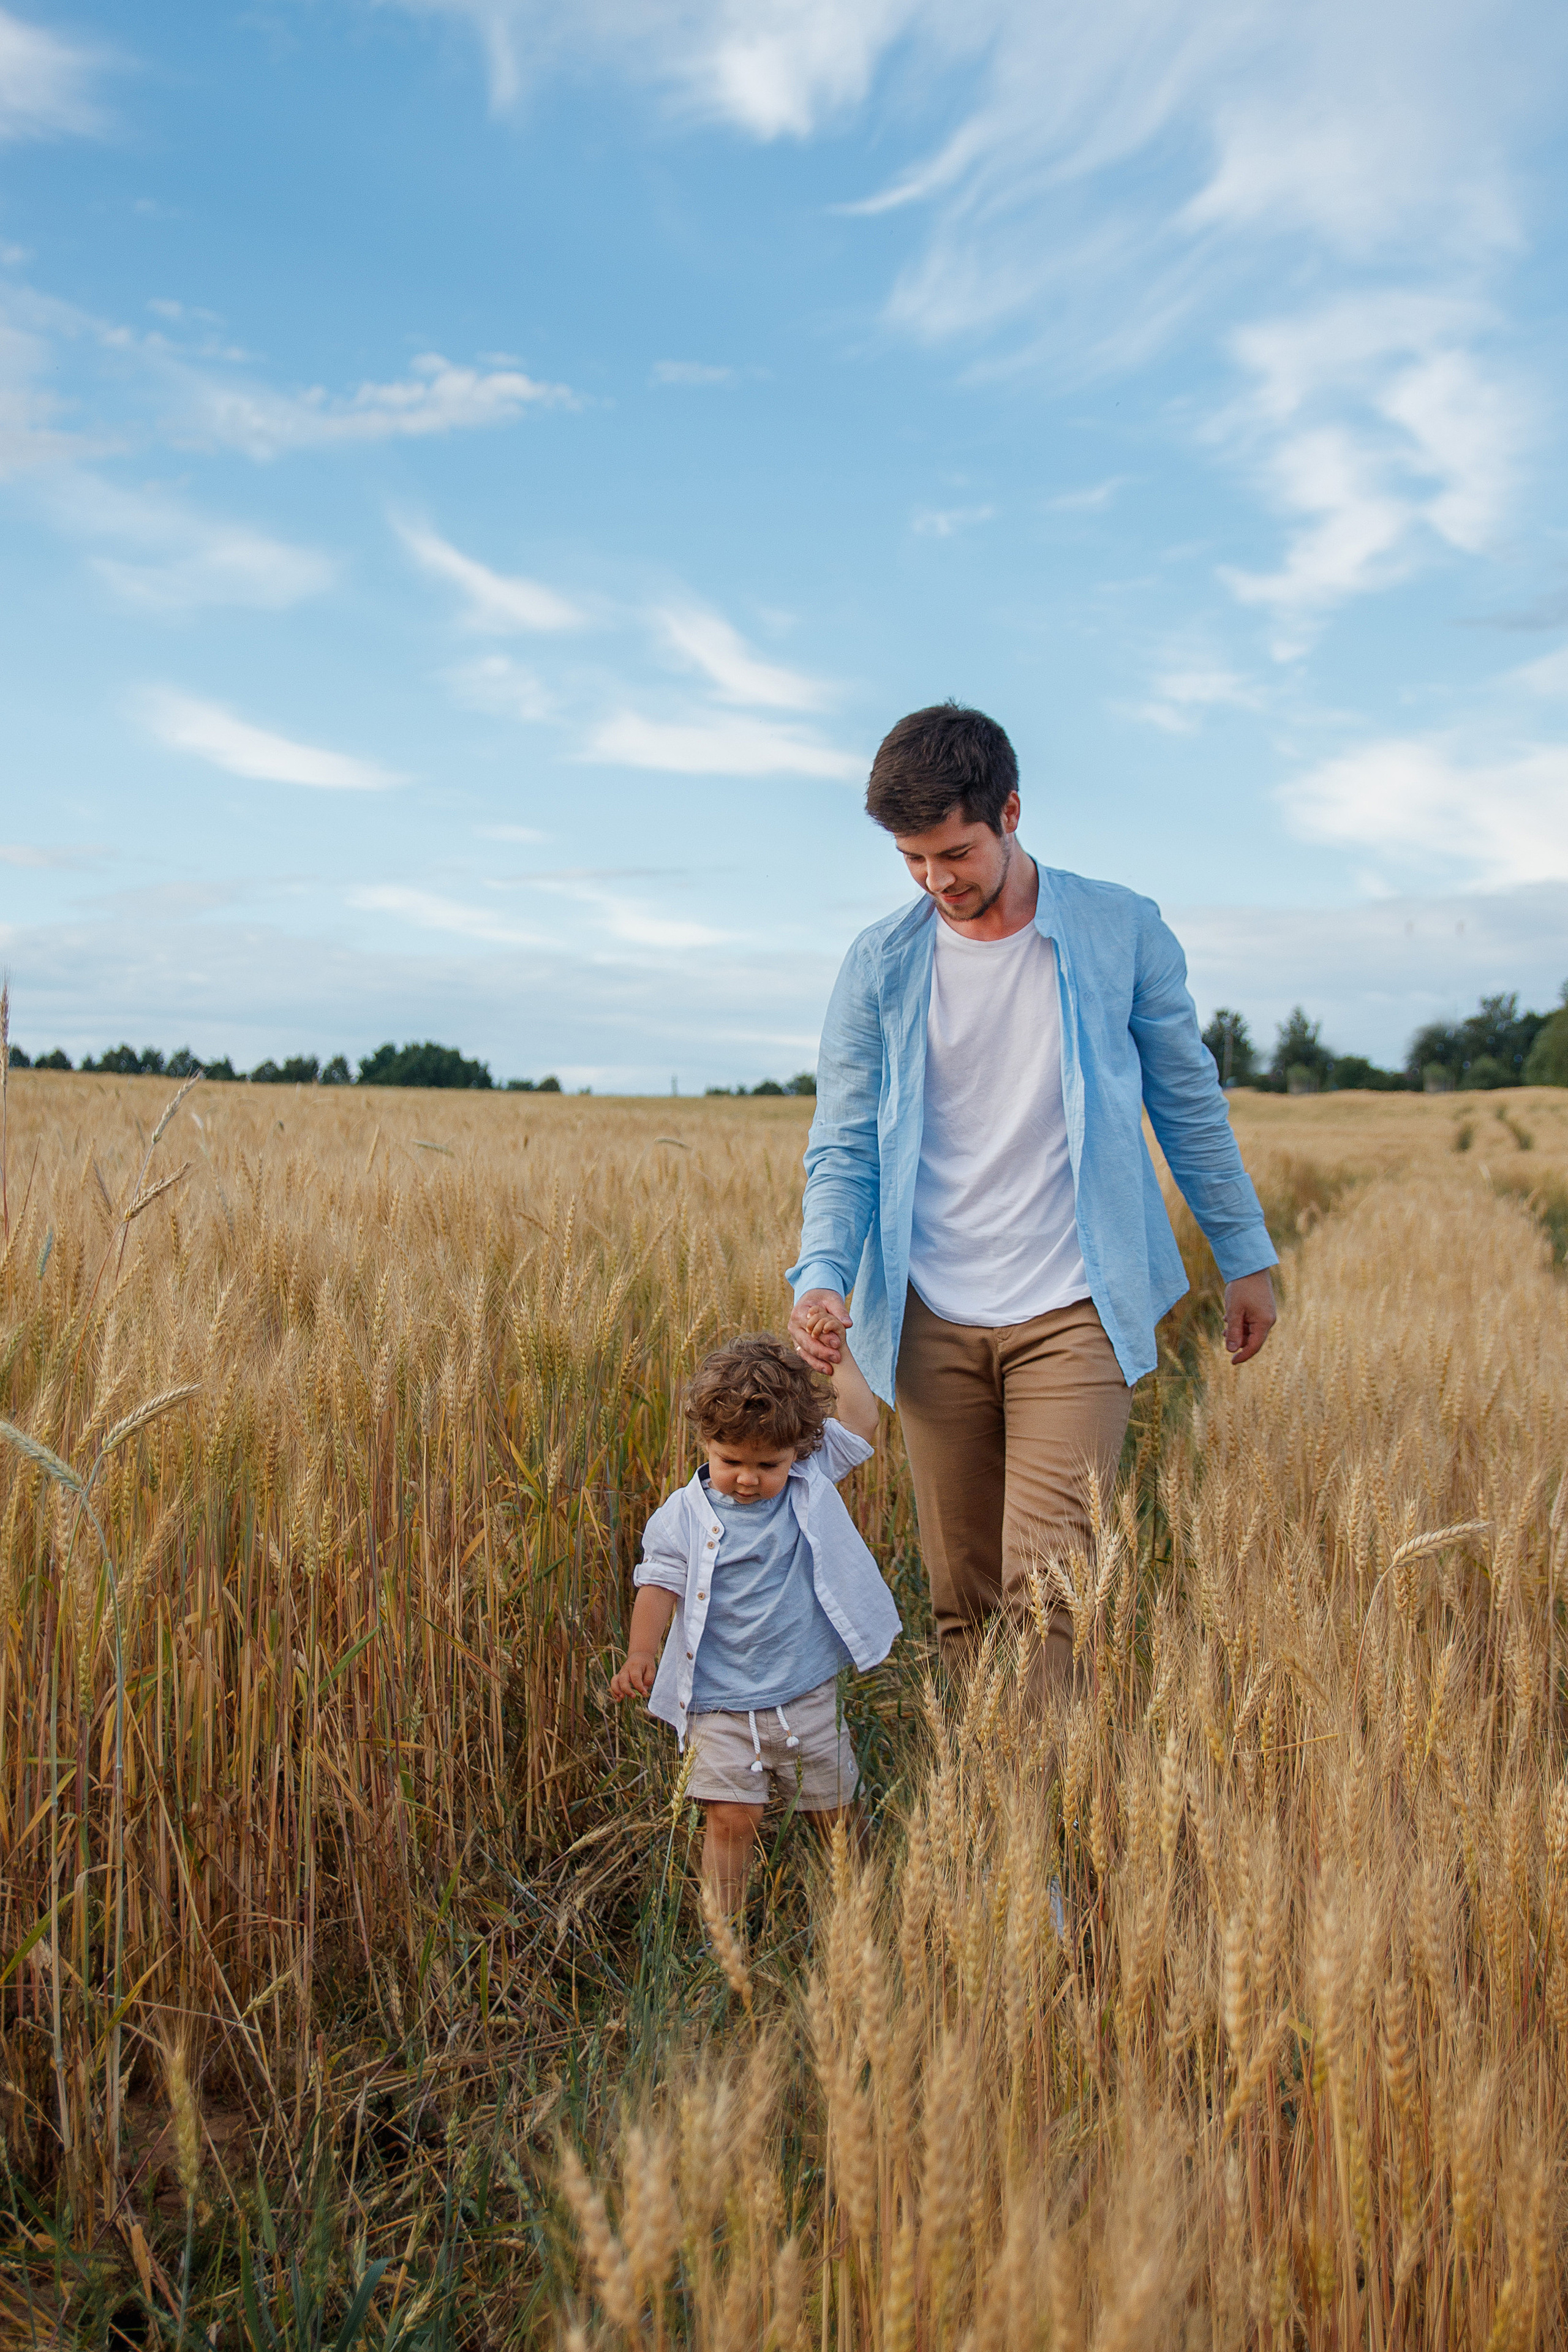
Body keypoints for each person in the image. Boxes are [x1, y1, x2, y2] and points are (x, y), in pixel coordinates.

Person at [787, 702, 1278, 1694]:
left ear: (1012, 811)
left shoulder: (1119, 930)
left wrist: (1246, 1252)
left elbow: (1187, 1100)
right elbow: (842, 1141)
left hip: (1074, 1305)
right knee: (962, 1601)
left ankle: (1050, 1837)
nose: (939, 882)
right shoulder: (878, 966)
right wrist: (825, 1273)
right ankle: (992, 1834)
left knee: (1051, 1593)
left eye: (956, 852)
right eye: (913, 861)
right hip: (930, 1314)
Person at [609, 1330, 900, 1909]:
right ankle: (725, 1943)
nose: (748, 1479)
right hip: (719, 1700)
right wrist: (642, 1652)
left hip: (805, 1691)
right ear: (706, 1442)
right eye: (731, 1461)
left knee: (836, 1816)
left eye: (768, 1464)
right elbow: (658, 1581)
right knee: (729, 1819)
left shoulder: (808, 1481)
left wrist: (834, 1355)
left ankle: (867, 1914)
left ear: (799, 1449)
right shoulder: (684, 1514)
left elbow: (863, 1421)